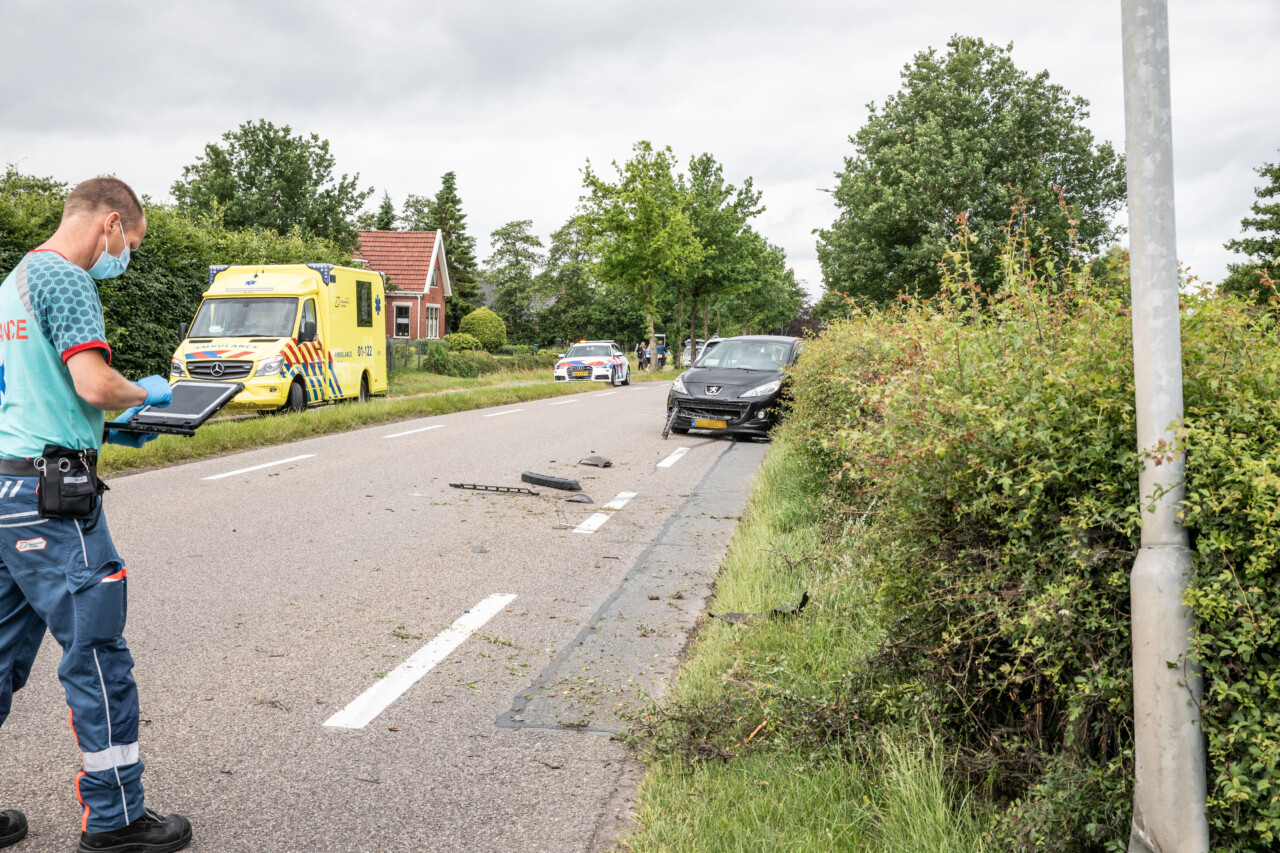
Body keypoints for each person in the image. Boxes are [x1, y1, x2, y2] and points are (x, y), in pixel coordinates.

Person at [0, 178, 192, 852]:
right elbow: (92, 382)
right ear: (109, 223)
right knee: (98, 652)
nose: (122, 258)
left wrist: (108, 429)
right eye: (128, 244)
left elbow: (31, 397)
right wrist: (145, 393)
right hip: (54, 502)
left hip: (5, 492)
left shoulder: (12, 284)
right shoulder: (68, 279)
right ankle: (115, 819)